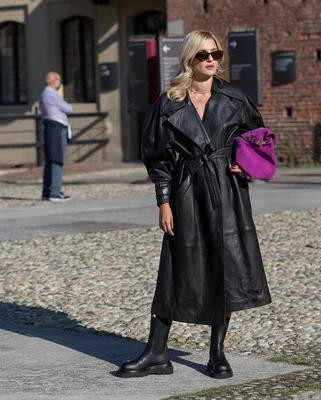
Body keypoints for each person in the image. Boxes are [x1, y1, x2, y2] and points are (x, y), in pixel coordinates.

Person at [117, 30, 272, 379]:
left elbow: (258, 136)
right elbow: (156, 157)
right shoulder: (168, 102)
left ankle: (217, 353)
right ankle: (157, 351)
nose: (212, 60)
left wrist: (243, 161)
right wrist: (164, 202)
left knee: (227, 266)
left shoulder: (235, 96)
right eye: (204, 55)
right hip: (186, 189)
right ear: (190, 59)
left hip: (227, 191)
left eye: (216, 53)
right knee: (175, 267)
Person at [39, 72, 73, 201]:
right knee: (57, 158)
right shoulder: (51, 95)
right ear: (54, 81)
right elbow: (69, 108)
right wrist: (69, 105)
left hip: (50, 127)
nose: (59, 83)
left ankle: (47, 191)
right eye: (58, 80)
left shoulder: (44, 94)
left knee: (50, 159)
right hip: (56, 128)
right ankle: (55, 191)